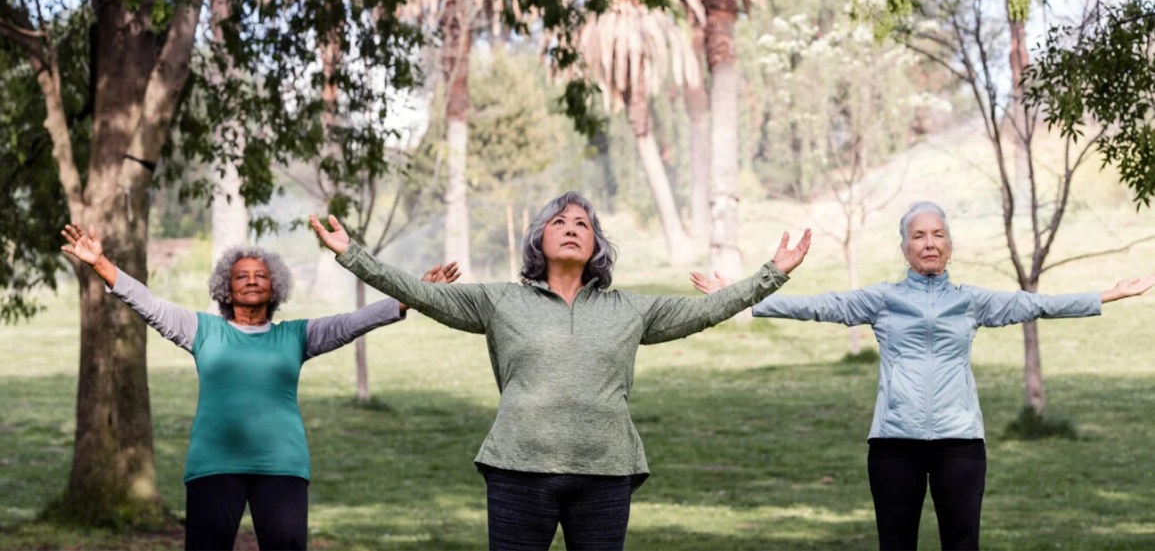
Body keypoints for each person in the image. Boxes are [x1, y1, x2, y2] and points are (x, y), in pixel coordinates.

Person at [309, 190, 811, 551]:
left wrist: (774, 271)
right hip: (517, 469)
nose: (571, 229)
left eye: (583, 225)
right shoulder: (498, 300)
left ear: (596, 246)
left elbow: (708, 309)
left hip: (605, 472)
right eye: (559, 222)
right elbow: (417, 291)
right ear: (538, 241)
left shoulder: (630, 310)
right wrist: (350, 255)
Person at [691, 201, 1155, 551]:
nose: (929, 242)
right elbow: (816, 306)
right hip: (894, 444)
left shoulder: (971, 301)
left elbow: (1037, 304)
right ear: (904, 247)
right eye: (918, 235)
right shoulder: (881, 299)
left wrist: (1110, 293)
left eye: (937, 234)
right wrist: (736, 296)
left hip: (960, 444)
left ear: (949, 245)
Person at [60, 223, 459, 551]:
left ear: (275, 286)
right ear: (226, 288)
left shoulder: (296, 336)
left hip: (281, 468)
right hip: (213, 466)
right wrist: (100, 264)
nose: (251, 281)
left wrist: (413, 297)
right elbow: (147, 303)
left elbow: (352, 322)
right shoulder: (203, 331)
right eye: (241, 276)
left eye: (261, 275)